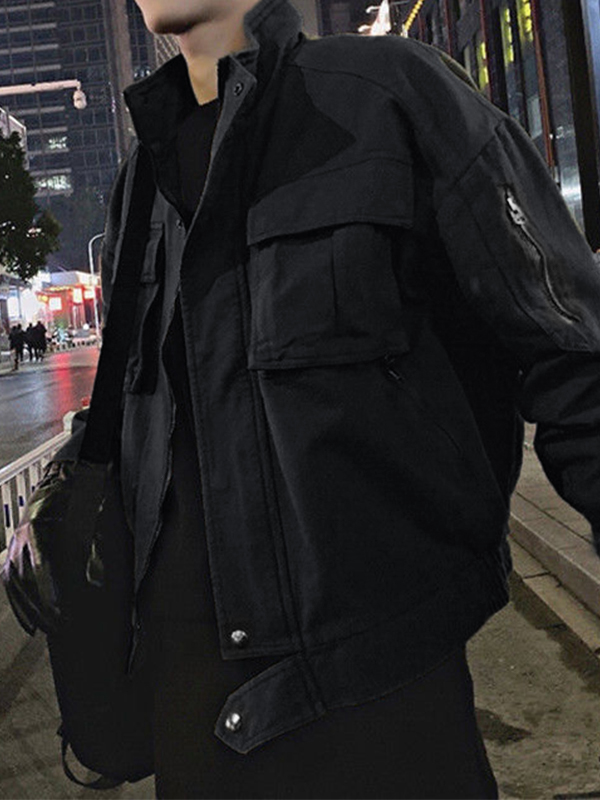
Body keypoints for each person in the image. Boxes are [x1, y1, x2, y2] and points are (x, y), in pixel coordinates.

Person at [8, 0, 600, 796]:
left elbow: (573, 357)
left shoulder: (389, 93)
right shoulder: (138, 184)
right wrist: (62, 494)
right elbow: (145, 414)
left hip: (377, 723)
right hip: (191, 733)